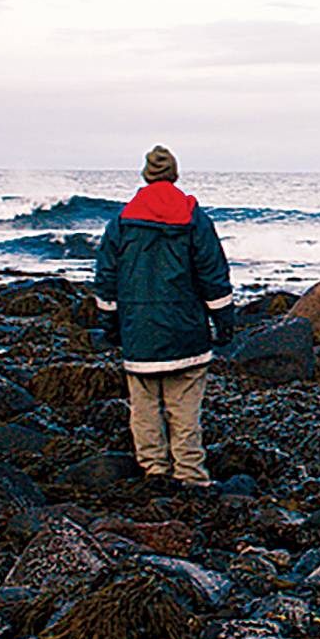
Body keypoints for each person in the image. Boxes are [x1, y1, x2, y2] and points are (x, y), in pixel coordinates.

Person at [93, 145, 235, 487]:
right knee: (184, 412)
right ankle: (190, 476)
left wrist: (112, 328)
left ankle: (154, 472)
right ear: (174, 175)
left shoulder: (123, 221)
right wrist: (225, 325)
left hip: (139, 335)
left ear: (146, 175)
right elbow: (213, 276)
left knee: (143, 410)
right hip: (187, 334)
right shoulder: (194, 219)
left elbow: (106, 280)